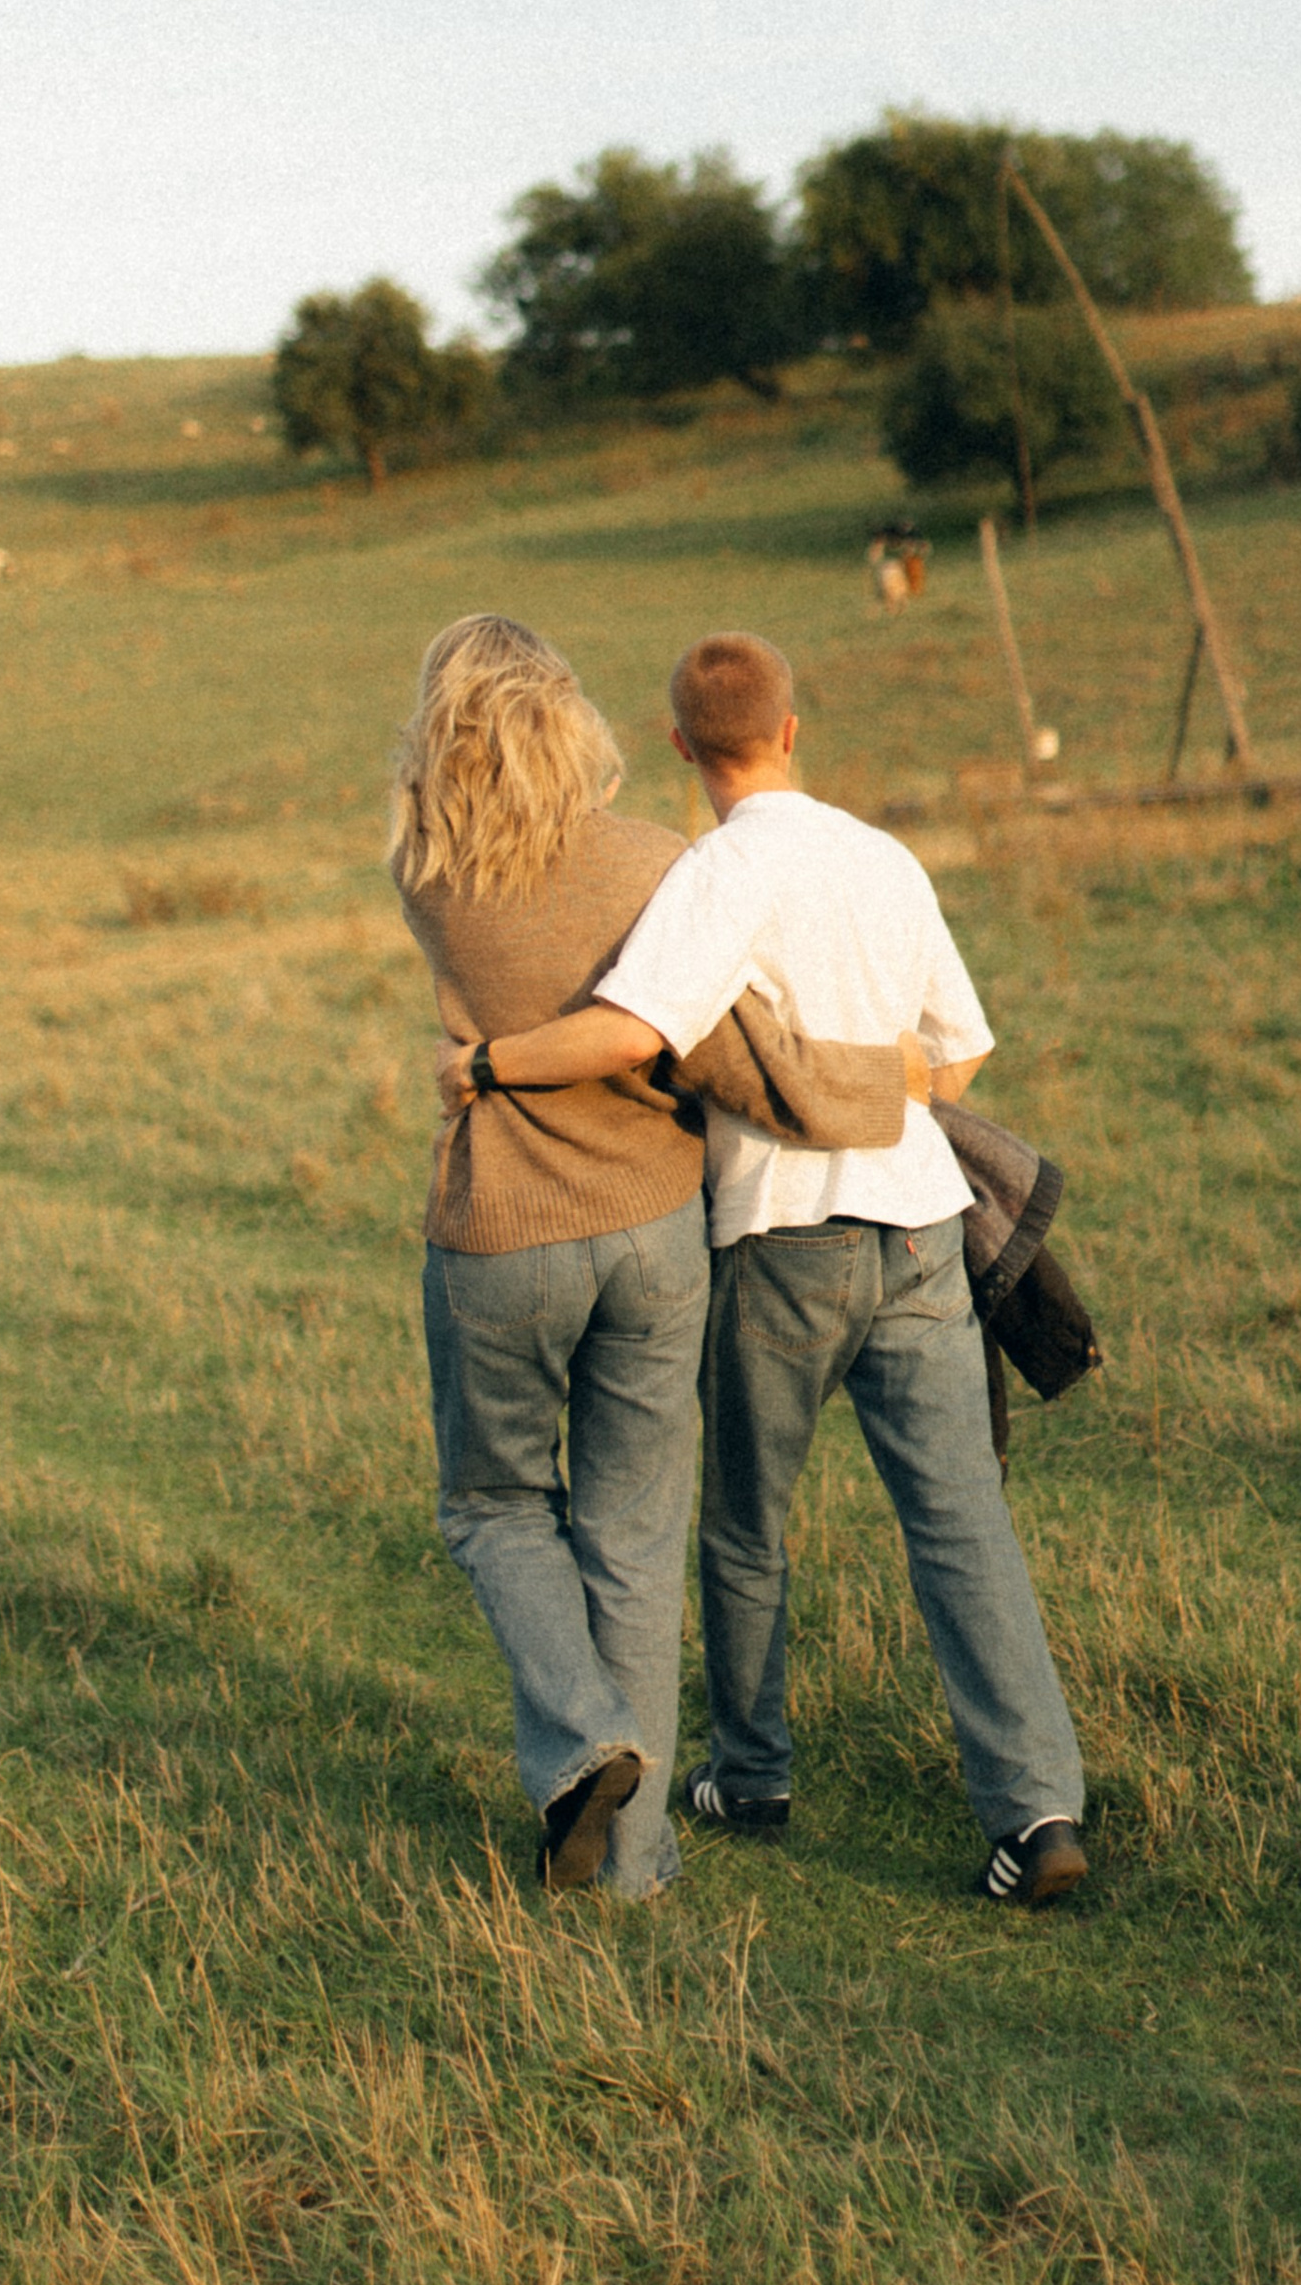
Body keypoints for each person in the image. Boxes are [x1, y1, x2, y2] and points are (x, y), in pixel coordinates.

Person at [436, 631, 1090, 1910]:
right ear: (793, 728)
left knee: (745, 1527)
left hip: (783, 1239)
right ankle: (1039, 1812)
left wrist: (490, 1065)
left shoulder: (716, 871)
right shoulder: (885, 859)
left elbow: (634, 1029)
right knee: (962, 1529)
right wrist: (865, 1075)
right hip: (920, 1231)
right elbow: (956, 1059)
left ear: (682, 745)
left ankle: (750, 1771)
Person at [392, 615, 918, 1900]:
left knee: (494, 1505)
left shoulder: (425, 870)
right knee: (632, 1540)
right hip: (653, 1232)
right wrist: (875, 1096)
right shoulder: (655, 863)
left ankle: (581, 1745)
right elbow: (723, 1047)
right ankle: (634, 1871)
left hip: (502, 1238)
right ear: (572, 725)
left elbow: (433, 810)